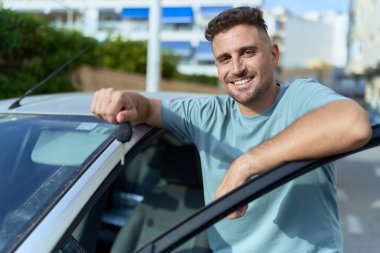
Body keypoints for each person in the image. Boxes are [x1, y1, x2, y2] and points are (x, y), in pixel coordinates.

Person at [91, 7, 371, 253]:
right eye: (224, 58)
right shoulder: (206, 115)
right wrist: (124, 100)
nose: (236, 68)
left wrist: (246, 164)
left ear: (273, 55)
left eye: (247, 53)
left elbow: (354, 123)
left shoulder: (300, 96)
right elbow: (147, 108)